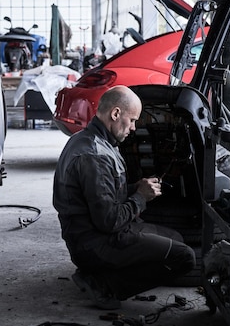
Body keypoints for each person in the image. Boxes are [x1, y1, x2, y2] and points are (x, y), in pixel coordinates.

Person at [53, 85, 196, 310]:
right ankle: (104, 285)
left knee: (176, 238)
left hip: (92, 235)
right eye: (132, 120)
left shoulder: (92, 140)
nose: (133, 127)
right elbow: (109, 221)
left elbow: (103, 195)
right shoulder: (95, 156)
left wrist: (134, 188)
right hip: (96, 243)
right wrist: (140, 197)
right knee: (184, 258)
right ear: (116, 113)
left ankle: (98, 272)